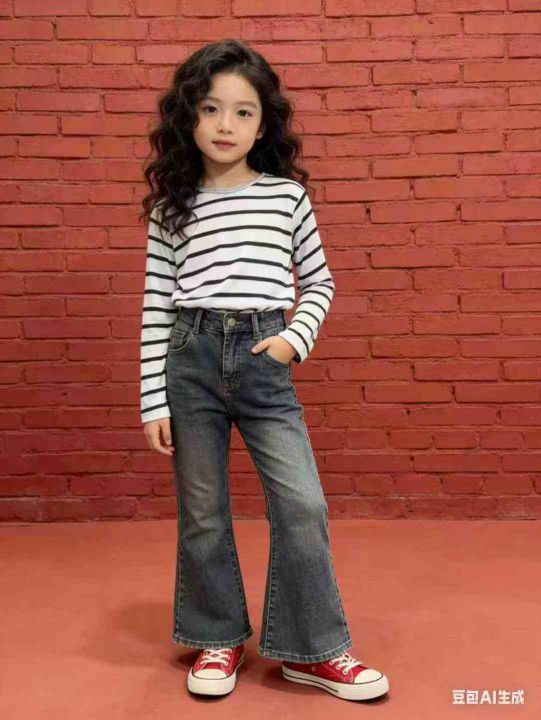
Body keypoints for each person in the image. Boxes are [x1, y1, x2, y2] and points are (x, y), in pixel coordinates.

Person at [139, 38, 389, 702]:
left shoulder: (285, 198)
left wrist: (290, 342)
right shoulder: (172, 207)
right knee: (203, 512)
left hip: (262, 359)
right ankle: (216, 637)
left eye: (243, 112)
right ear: (187, 117)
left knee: (302, 505)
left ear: (263, 125)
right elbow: (156, 305)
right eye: (210, 108)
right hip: (189, 360)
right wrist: (152, 401)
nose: (225, 125)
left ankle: (313, 651)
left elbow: (321, 282)